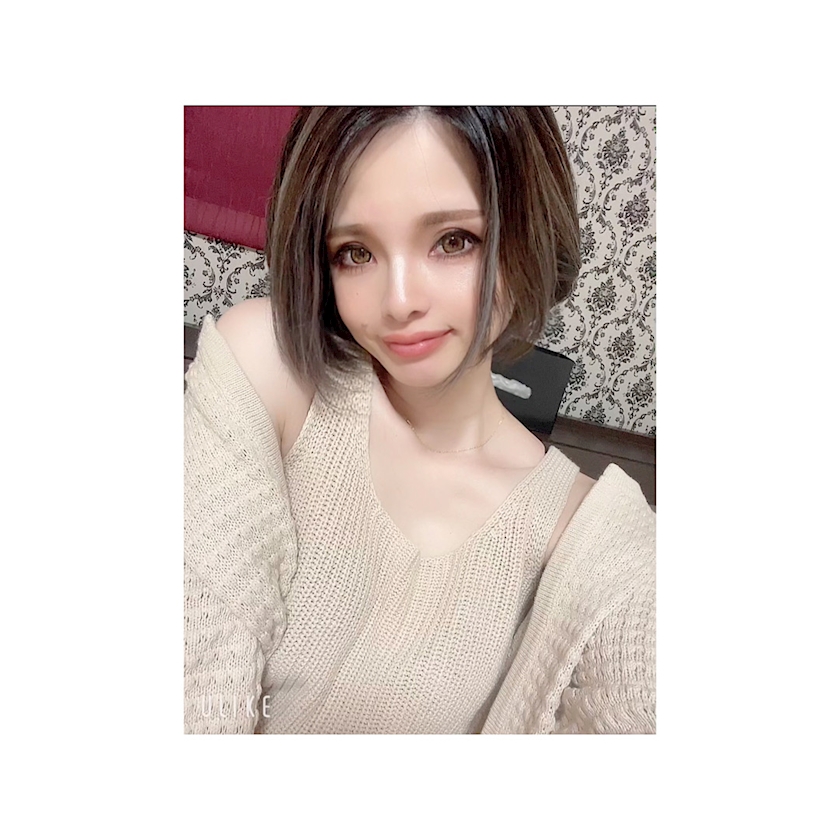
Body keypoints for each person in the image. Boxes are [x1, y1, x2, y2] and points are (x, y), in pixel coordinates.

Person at [184, 107, 655, 734]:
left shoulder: (599, 538)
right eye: (355, 252)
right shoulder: (268, 371)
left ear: (528, 233)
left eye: (453, 240)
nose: (399, 301)